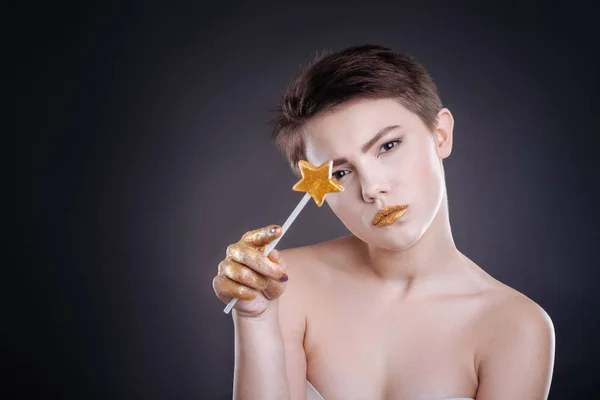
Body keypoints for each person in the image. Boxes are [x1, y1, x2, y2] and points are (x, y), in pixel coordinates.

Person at [212, 44, 555, 400]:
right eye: (341, 172)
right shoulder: (284, 285)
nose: (373, 188)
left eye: (388, 146)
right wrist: (255, 319)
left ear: (441, 134)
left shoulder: (515, 327)